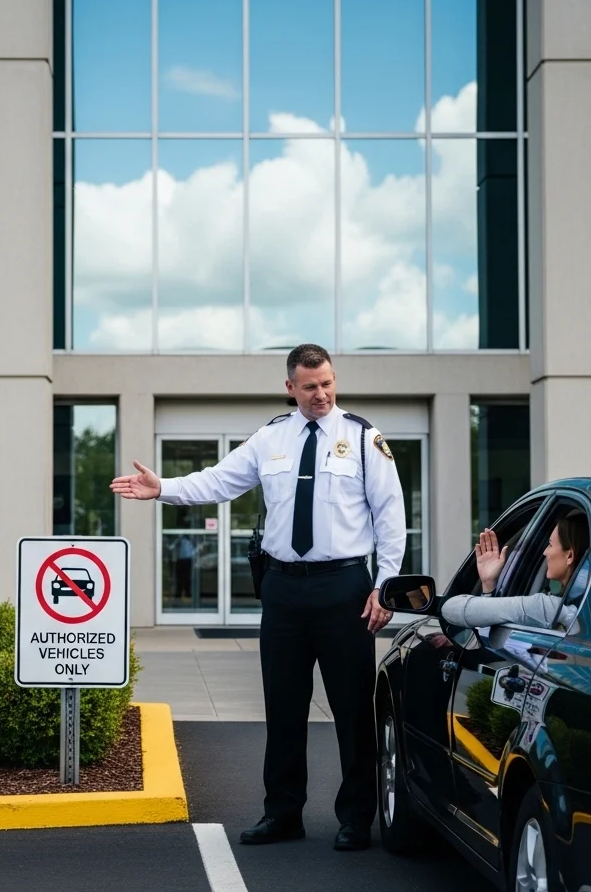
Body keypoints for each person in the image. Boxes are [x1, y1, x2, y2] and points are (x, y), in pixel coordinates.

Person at [110, 343, 406, 851]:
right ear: (290, 387)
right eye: (310, 386)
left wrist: (386, 583)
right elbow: (220, 481)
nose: (321, 394)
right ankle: (283, 813)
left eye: (328, 383)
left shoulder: (362, 438)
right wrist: (163, 488)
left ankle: (357, 818)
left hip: (345, 590)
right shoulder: (272, 438)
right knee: (283, 707)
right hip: (284, 589)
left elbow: (390, 515)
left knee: (353, 711)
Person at [443, 511, 591, 632]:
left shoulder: (546, 608)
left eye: (550, 545)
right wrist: (488, 583)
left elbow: (450, 609)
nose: (545, 552)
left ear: (569, 555)